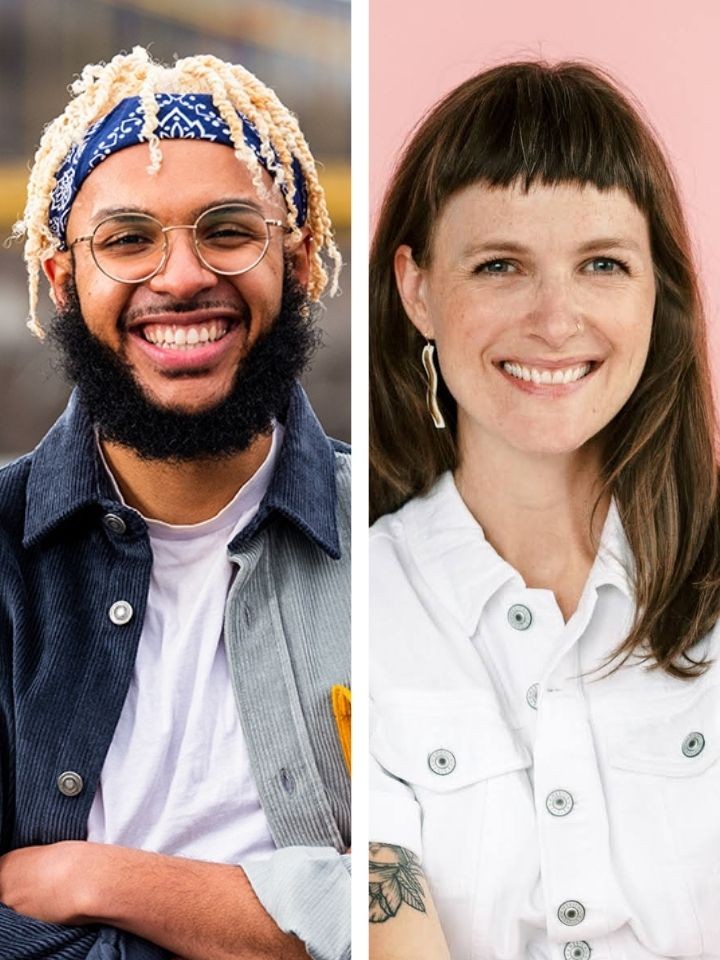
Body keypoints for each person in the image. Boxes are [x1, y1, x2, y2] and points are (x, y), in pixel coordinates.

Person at [0, 47, 350, 960]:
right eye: (126, 240)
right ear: (63, 276)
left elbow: (466, 895)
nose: (182, 276)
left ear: (299, 257)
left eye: (228, 229)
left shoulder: (406, 540)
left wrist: (103, 882)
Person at [369, 61, 720, 960]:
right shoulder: (349, 599)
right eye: (499, 266)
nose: (556, 320)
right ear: (417, 290)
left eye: (602, 264)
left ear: (656, 291)